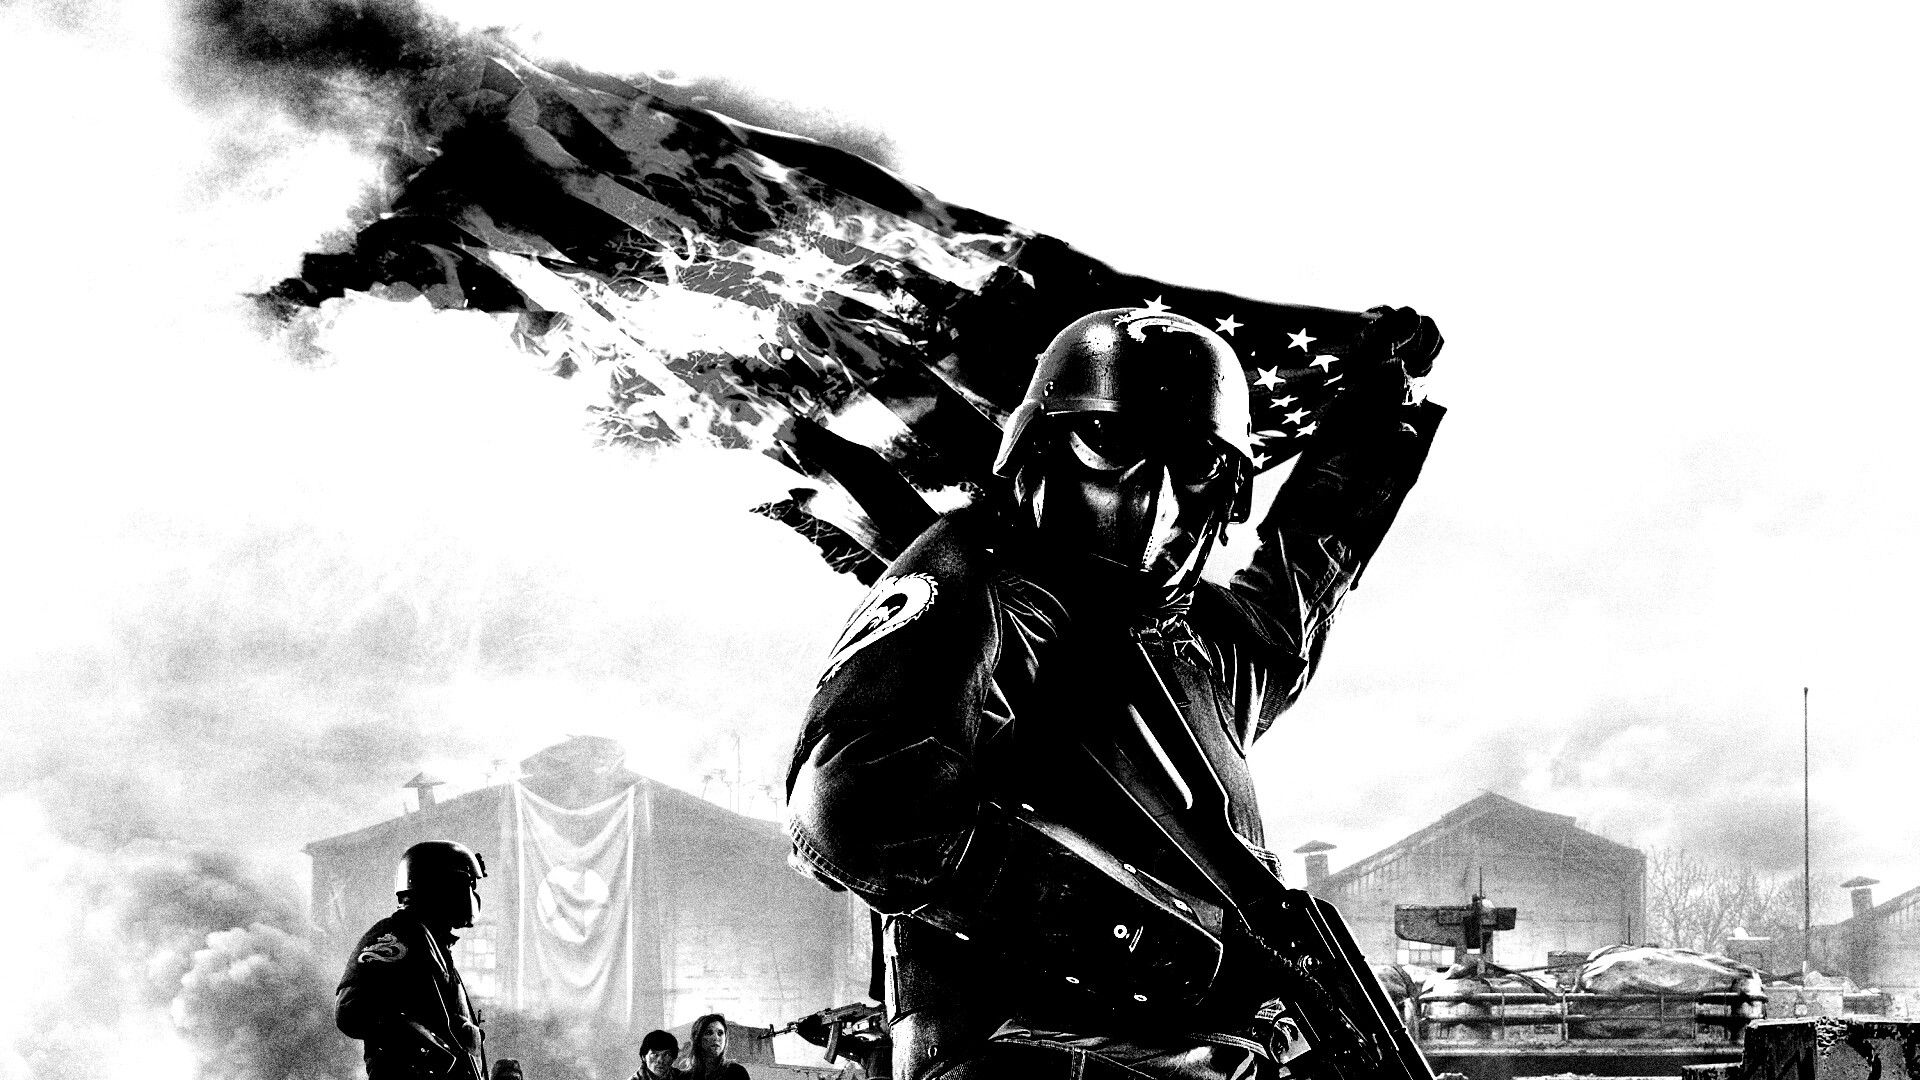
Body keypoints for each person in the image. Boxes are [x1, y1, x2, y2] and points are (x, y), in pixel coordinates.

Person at [785, 307, 1445, 1079]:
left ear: (1229, 490)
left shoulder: (1204, 650)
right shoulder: (989, 581)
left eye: (1197, 461)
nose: (1156, 498)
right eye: (1110, 441)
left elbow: (1310, 561)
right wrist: (1195, 953)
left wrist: (1379, 412)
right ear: (1038, 449)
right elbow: (855, 806)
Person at [336, 840, 491, 1080]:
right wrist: (436, 1056)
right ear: (445, 886)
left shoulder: (432, 945)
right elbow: (351, 1010)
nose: (472, 895)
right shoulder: (399, 935)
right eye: (468, 885)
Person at [684, 1013, 749, 1080]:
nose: (716, 1038)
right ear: (698, 1039)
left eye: (720, 1033)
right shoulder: (686, 1077)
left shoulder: (737, 1073)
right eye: (709, 1033)